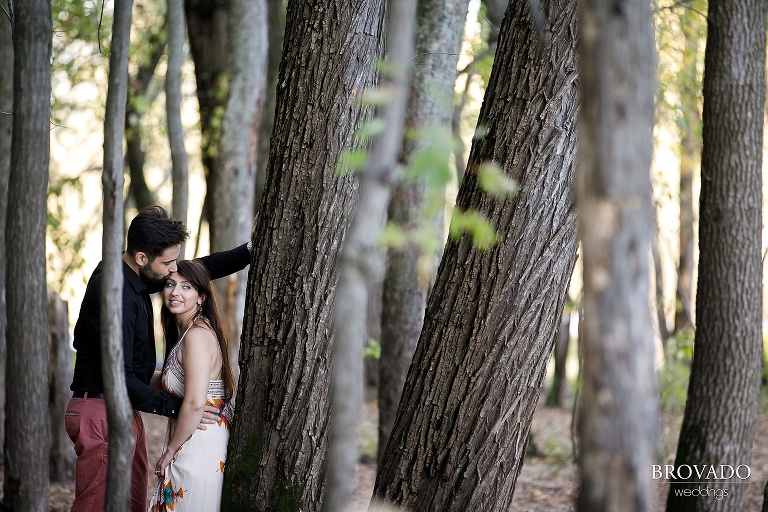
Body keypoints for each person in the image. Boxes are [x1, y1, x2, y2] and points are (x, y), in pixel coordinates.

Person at [65, 205, 252, 512]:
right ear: (142, 258)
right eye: (167, 263)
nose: (172, 270)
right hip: (100, 411)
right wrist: (180, 408)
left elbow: (199, 271)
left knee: (134, 501)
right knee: (95, 506)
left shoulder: (136, 276)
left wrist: (249, 250)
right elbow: (119, 375)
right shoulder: (115, 294)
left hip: (120, 409)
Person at [148, 260, 235, 511]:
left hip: (200, 444)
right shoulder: (189, 332)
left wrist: (169, 451)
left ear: (201, 297)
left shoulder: (196, 335)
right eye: (171, 284)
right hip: (195, 437)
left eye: (186, 287)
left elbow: (196, 403)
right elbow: (170, 383)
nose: (175, 292)